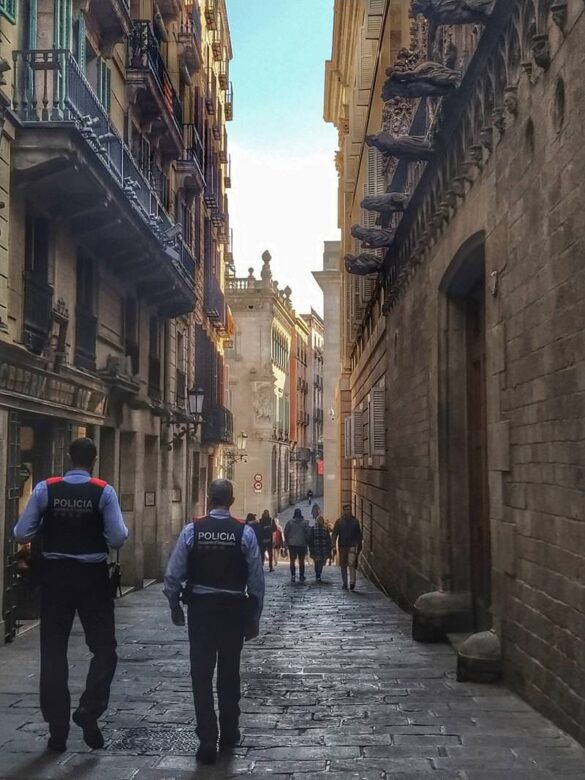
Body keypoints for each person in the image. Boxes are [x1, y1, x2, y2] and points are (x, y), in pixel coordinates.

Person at [13, 437, 128, 753]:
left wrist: (49, 532)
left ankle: (57, 731)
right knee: (104, 649)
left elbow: (21, 533)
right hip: (92, 579)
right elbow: (117, 538)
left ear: (68, 457)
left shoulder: (45, 489)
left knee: (53, 653)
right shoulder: (103, 491)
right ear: (94, 460)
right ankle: (88, 710)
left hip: (55, 578)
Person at [164, 480, 265, 766]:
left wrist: (174, 605)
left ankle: (207, 738)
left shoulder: (192, 530)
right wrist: (254, 617)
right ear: (232, 500)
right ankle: (230, 730)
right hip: (233, 609)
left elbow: (173, 575)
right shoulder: (244, 532)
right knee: (229, 672)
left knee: (201, 673)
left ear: (209, 499)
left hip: (201, 610)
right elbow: (257, 581)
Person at [332, 504, 363, 591]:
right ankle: (345, 583)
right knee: (343, 566)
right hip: (342, 547)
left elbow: (359, 535)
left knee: (351, 564)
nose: (348, 511)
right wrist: (333, 546)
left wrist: (359, 545)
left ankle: (352, 582)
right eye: (346, 510)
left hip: (352, 546)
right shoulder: (339, 522)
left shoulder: (355, 522)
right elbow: (334, 534)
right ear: (343, 511)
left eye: (349, 509)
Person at [284, 508, 309, 583]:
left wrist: (287, 541)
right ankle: (301, 575)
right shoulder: (304, 523)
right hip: (302, 544)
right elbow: (307, 533)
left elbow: (286, 532)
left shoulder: (290, 522)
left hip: (292, 544)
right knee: (301, 561)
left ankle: (293, 575)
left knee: (292, 561)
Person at [308, 516, 332, 583]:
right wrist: (328, 549)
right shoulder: (325, 529)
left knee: (316, 562)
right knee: (321, 563)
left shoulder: (313, 529)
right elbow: (328, 540)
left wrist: (311, 549)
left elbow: (310, 540)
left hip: (316, 549)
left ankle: (317, 574)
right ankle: (319, 574)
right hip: (323, 549)